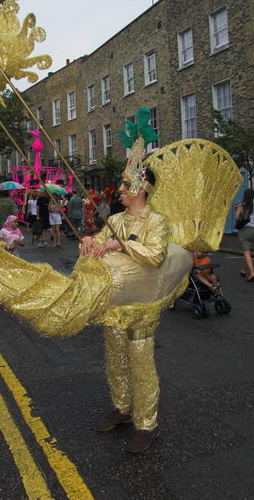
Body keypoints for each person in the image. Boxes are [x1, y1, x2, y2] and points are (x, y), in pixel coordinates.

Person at [80, 165, 168, 453]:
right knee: (115, 359)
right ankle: (123, 409)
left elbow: (155, 256)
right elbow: (101, 249)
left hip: (142, 306)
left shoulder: (156, 221)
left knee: (141, 365)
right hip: (114, 304)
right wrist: (91, 242)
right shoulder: (114, 218)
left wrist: (120, 244)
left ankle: (146, 425)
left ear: (142, 189)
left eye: (125, 184)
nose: (119, 189)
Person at [235, 189, 254, 282]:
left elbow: (236, 217)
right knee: (249, 252)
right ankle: (244, 270)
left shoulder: (242, 205)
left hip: (245, 230)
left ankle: (252, 272)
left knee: (246, 252)